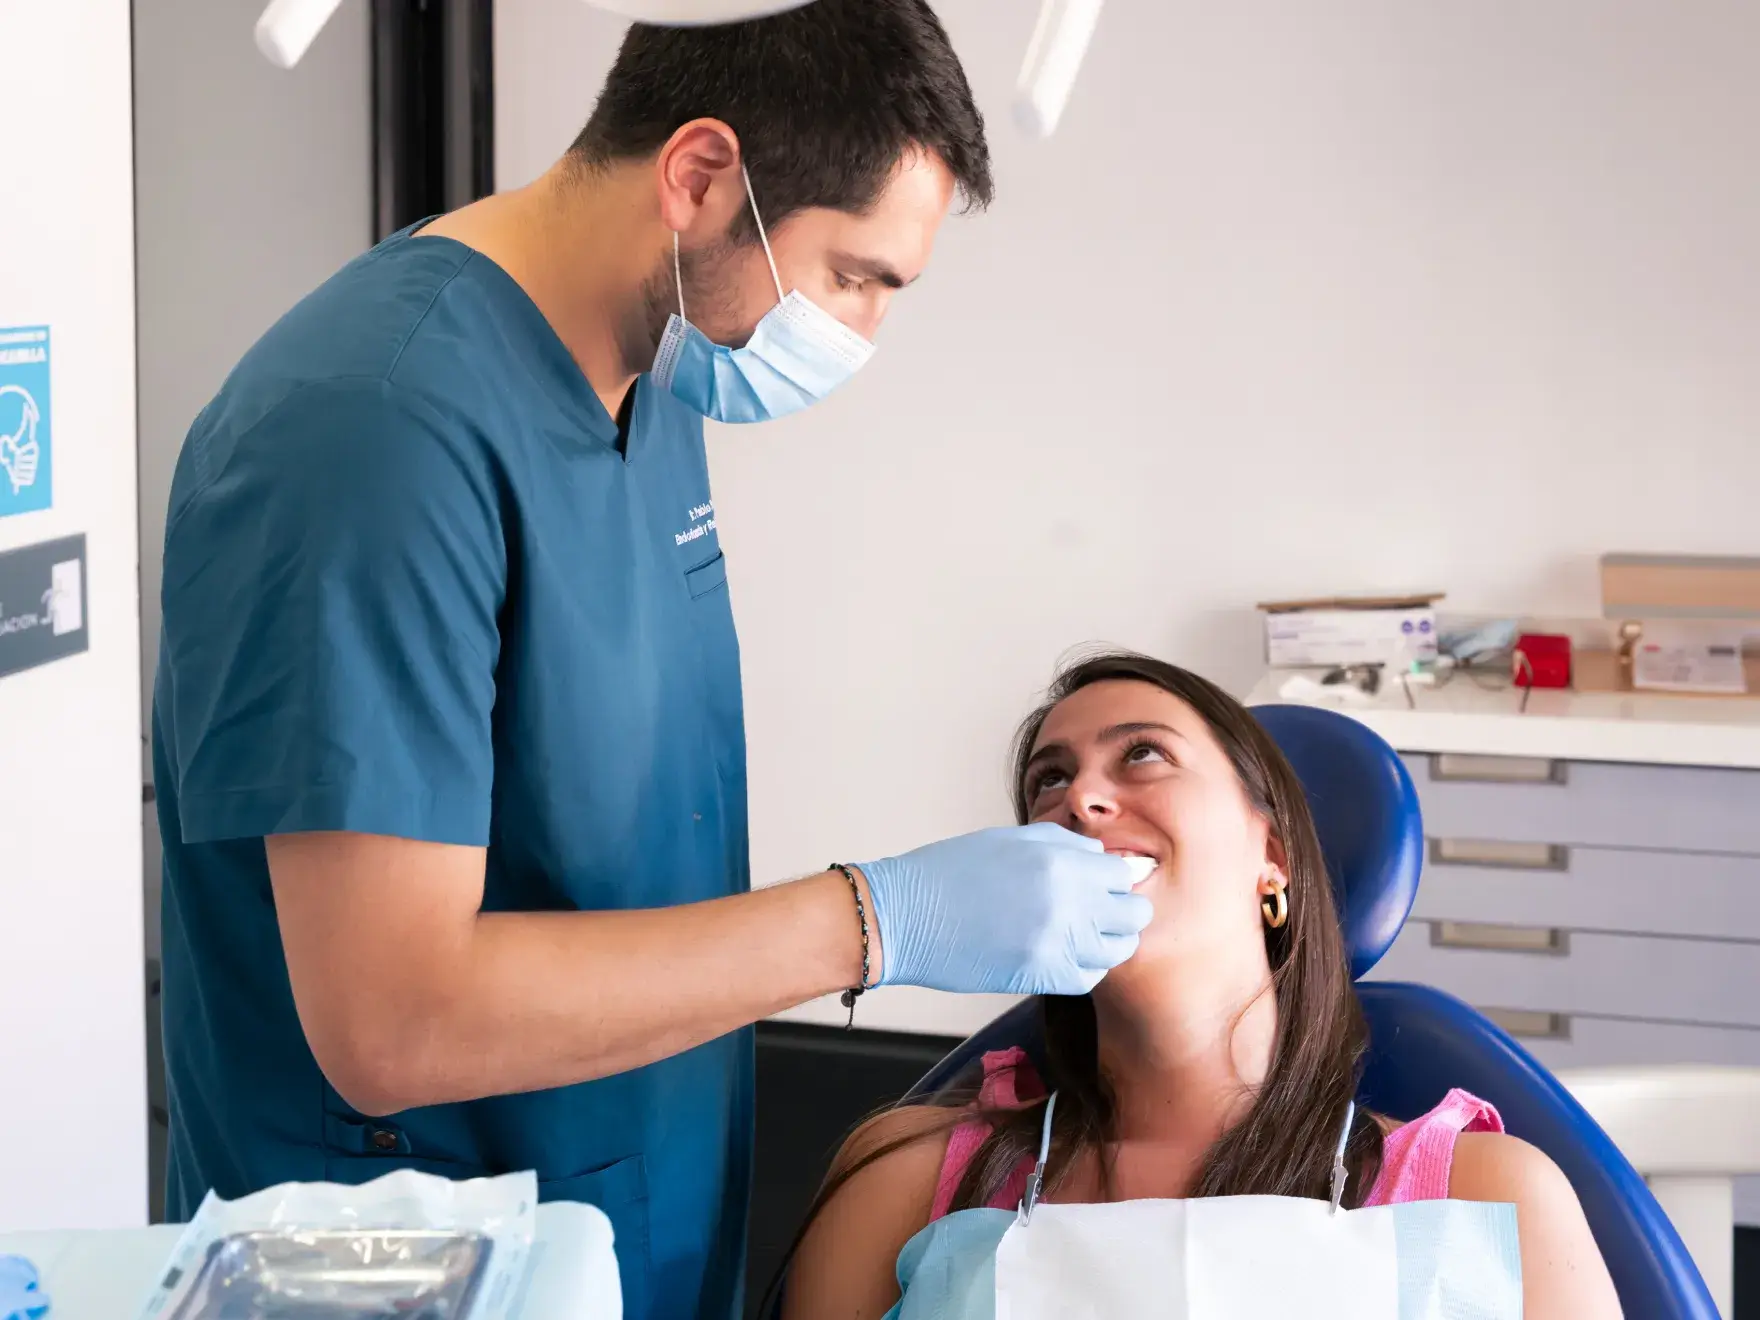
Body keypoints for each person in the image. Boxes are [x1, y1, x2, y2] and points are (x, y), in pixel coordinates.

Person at [149, 6, 1154, 1319]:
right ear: (696, 178)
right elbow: (393, 1021)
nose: (860, 331)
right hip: (401, 1269)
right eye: (855, 276)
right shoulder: (374, 433)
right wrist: (880, 919)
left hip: (623, 1216)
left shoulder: (652, 374)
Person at [779, 652, 1623, 1320]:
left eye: (1141, 754)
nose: (1080, 799)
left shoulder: (1490, 1197)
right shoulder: (902, 1187)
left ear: (1274, 858)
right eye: (1049, 779)